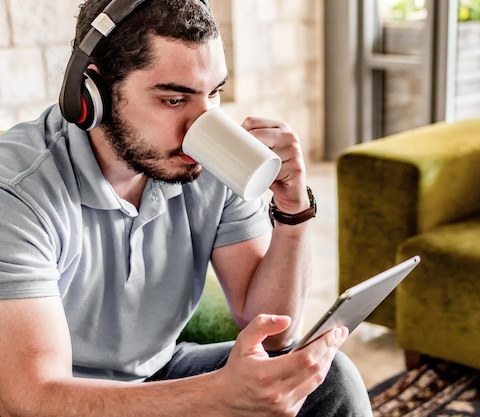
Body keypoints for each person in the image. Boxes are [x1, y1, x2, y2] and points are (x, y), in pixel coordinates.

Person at [0, 0, 373, 415]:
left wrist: (293, 211)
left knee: (331, 379)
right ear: (92, 94)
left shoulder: (209, 160)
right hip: (63, 396)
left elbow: (272, 336)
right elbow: (30, 397)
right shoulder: (17, 192)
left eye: (213, 93)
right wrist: (216, 397)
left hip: (158, 372)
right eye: (175, 100)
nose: (202, 125)